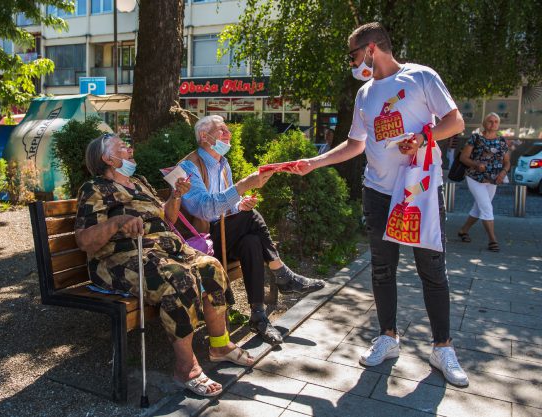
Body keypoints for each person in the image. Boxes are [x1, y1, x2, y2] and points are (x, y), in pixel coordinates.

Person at [288, 22, 469, 387]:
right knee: (382, 269)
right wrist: (315, 163)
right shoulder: (365, 94)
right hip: (378, 192)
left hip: (418, 191)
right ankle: (388, 337)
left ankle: (442, 347)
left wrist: (421, 136)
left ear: (371, 49)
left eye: (353, 54)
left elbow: (455, 121)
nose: (352, 63)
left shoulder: (421, 77)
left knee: (431, 269)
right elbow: (355, 144)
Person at [74, 134, 254, 397]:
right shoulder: (94, 189)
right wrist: (117, 222)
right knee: (179, 278)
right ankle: (186, 368)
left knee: (211, 266)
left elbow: (167, 218)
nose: (130, 148)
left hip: (166, 250)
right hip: (122, 258)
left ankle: (220, 346)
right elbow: (84, 240)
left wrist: (175, 196)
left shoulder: (139, 183)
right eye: (122, 147)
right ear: (107, 159)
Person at [178, 115, 325, 346]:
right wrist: (244, 185)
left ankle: (258, 314)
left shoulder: (222, 164)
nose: (228, 134)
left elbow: (226, 203)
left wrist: (239, 204)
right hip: (202, 239)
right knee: (252, 219)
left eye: (228, 130)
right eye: (222, 130)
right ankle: (283, 275)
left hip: (225, 231)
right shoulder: (188, 166)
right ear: (204, 137)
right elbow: (205, 210)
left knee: (251, 242)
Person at [457, 113, 510, 252]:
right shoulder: (475, 138)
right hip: (475, 177)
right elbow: (463, 157)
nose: (493, 124)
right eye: (490, 121)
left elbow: (507, 162)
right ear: (484, 123)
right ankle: (493, 240)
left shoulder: (502, 141)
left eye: (496, 121)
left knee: (479, 207)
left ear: (499, 124)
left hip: (493, 179)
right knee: (486, 208)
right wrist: (476, 164)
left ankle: (463, 230)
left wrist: (503, 173)